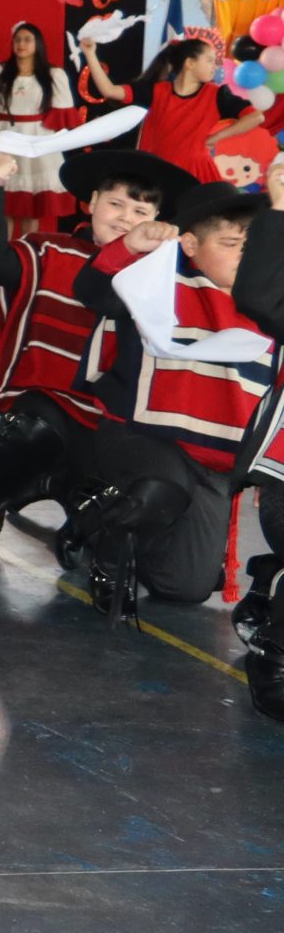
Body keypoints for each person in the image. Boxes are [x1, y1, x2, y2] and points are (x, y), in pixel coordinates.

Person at [64, 179, 284, 625]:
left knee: (185, 587)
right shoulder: (158, 278)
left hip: (218, 460)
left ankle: (121, 520)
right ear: (190, 243)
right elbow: (93, 292)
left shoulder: (270, 303)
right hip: (144, 438)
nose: (245, 256)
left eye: (252, 246)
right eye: (231, 244)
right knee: (159, 490)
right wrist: (131, 245)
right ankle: (104, 541)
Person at [0, 146, 188, 560]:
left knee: (106, 529)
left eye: (140, 211)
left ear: (157, 220)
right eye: (116, 204)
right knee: (29, 430)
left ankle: (56, 485)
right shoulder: (50, 250)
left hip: (110, 416)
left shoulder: (163, 278)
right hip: (49, 395)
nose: (125, 217)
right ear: (91, 202)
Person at [89, 36, 271, 186]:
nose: (215, 66)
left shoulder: (216, 94)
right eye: (209, 60)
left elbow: (256, 117)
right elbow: (109, 91)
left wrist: (216, 137)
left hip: (195, 174)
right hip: (155, 172)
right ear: (190, 63)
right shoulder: (156, 91)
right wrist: (90, 53)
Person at [0, 22, 89, 236]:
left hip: (36, 138)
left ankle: (27, 248)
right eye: (17, 40)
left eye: (27, 39)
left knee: (32, 206)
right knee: (3, 202)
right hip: (4, 136)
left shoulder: (53, 74)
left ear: (38, 44)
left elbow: (63, 113)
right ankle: (2, 249)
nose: (21, 44)